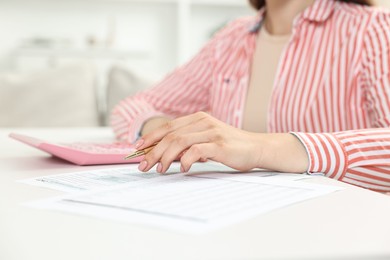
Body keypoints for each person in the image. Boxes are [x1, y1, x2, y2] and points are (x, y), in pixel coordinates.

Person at [111, 0, 390, 192]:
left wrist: (259, 148)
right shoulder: (230, 39)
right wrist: (169, 133)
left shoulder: (375, 30)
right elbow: (131, 107)